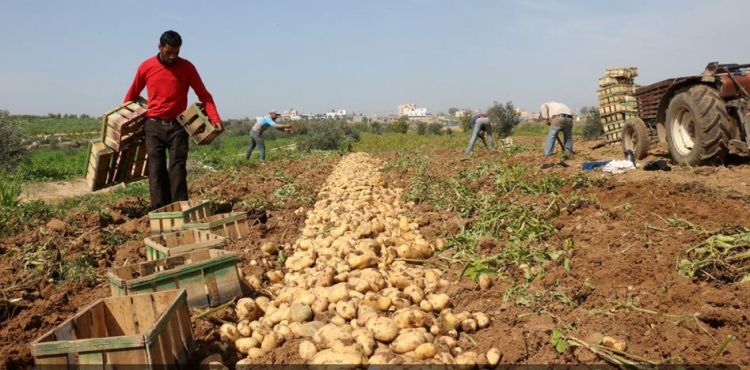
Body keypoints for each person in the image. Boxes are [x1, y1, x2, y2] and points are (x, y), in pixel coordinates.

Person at [124, 30, 222, 210]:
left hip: (178, 126)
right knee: (156, 171)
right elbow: (131, 96)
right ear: (160, 47)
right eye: (168, 52)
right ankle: (159, 211)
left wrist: (215, 119)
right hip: (153, 126)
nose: (172, 57)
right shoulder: (146, 66)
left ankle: (180, 208)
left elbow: (205, 96)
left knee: (177, 169)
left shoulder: (187, 67)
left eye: (176, 53)